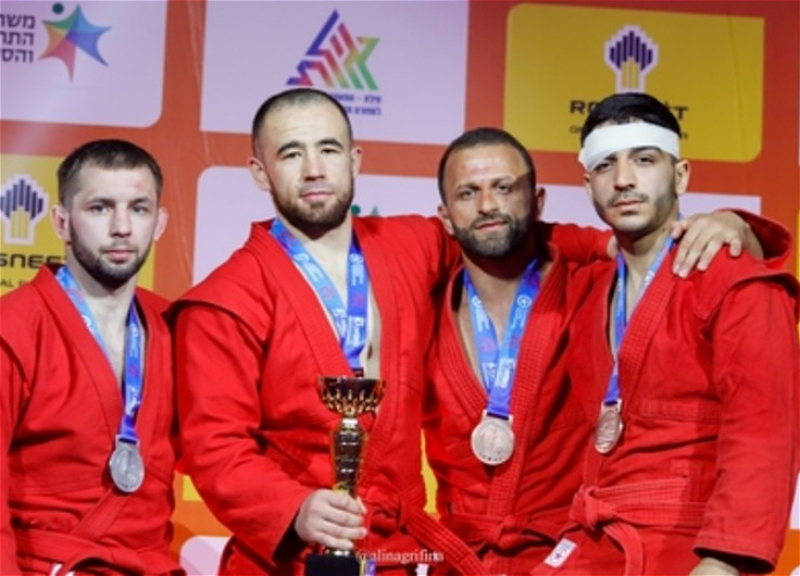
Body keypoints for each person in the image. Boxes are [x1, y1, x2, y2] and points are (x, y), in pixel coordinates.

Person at [171, 87, 779, 576]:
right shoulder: (223, 301)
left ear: (354, 159)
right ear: (259, 171)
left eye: (328, 149)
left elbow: (520, 234)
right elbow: (213, 446)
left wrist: (724, 228)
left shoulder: (410, 244)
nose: (313, 170)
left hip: (413, 551)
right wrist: (292, 508)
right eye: (290, 154)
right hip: (297, 552)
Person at [422, 128, 788, 576]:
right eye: (468, 192)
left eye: (504, 188)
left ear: (537, 202)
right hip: (459, 555)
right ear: (444, 216)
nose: (487, 205)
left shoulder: (591, 286)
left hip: (573, 547)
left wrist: (735, 225)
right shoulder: (421, 301)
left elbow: (759, 422)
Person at [532, 92, 799, 576]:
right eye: (606, 165)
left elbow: (763, 432)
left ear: (680, 176)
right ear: (588, 185)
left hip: (689, 544)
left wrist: (723, 561)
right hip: (592, 541)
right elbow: (517, 237)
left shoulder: (737, 281)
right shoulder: (589, 290)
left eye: (644, 160)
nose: (624, 179)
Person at [0, 140, 183, 576]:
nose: (122, 227)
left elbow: (223, 450)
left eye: (138, 209)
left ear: (159, 223)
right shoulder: (14, 327)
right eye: (100, 208)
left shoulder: (176, 329)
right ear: (61, 222)